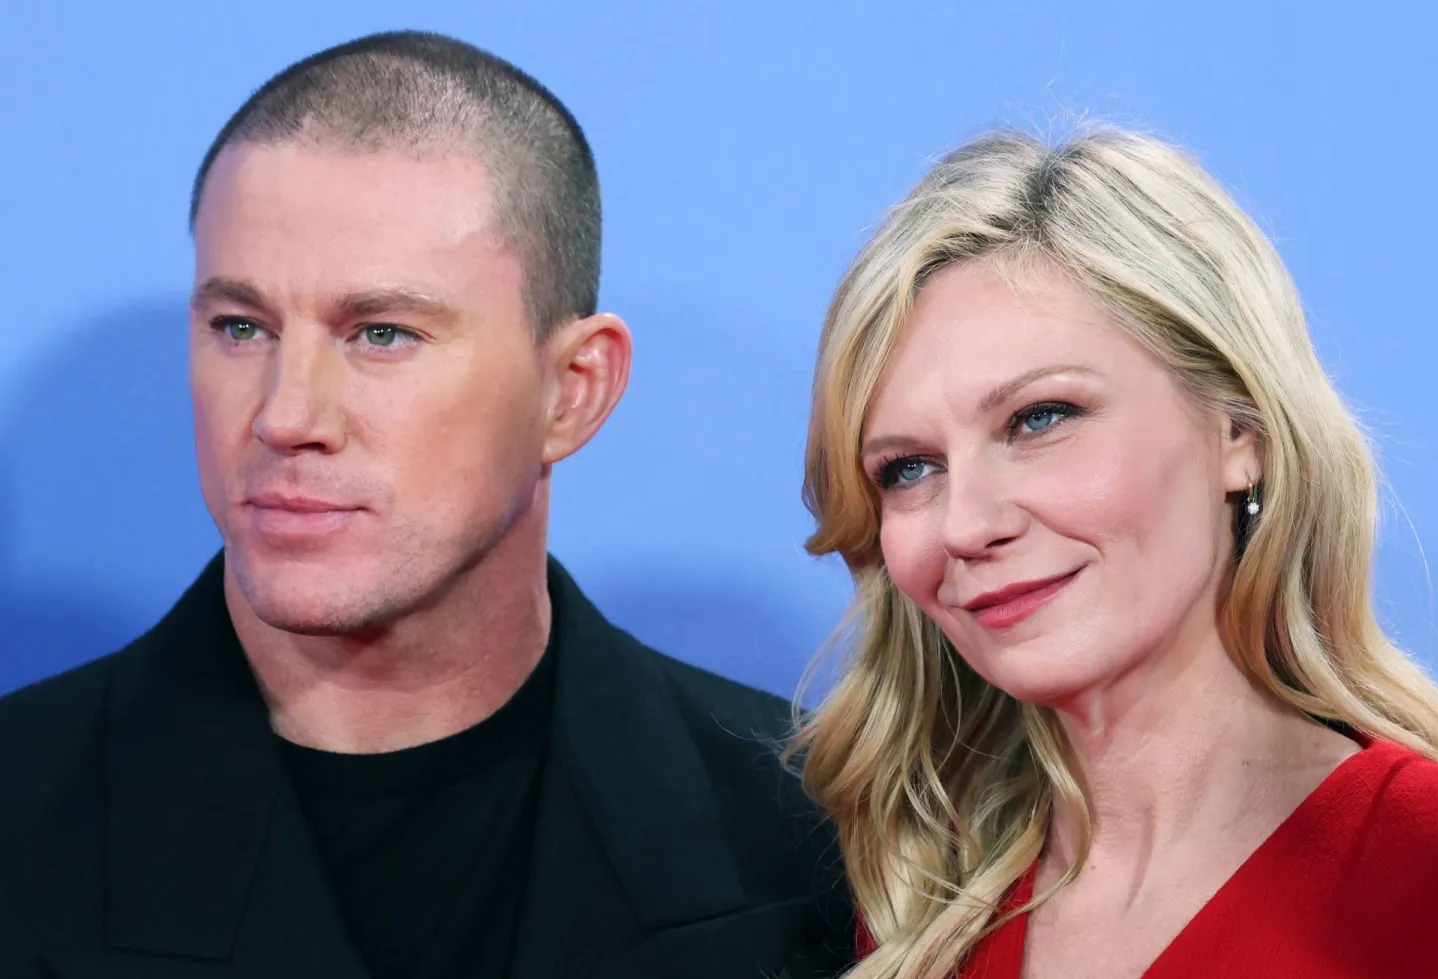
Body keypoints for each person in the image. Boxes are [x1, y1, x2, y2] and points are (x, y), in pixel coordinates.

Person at [0, 31, 853, 979]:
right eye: (240, 327)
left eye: (382, 333)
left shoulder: (821, 839)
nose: (285, 415)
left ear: (571, 389)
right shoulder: (18, 816)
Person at [792, 126, 1438, 979]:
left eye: (1040, 418)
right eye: (909, 468)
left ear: (1241, 432)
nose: (966, 524)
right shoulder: (919, 914)